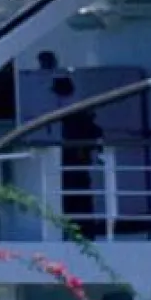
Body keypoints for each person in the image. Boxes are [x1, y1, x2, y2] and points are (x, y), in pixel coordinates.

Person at [53, 75, 105, 240]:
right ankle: (81, 228)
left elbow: (84, 130)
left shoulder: (73, 109)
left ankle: (80, 228)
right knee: (77, 194)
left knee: (75, 193)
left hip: (74, 156)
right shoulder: (78, 107)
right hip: (76, 156)